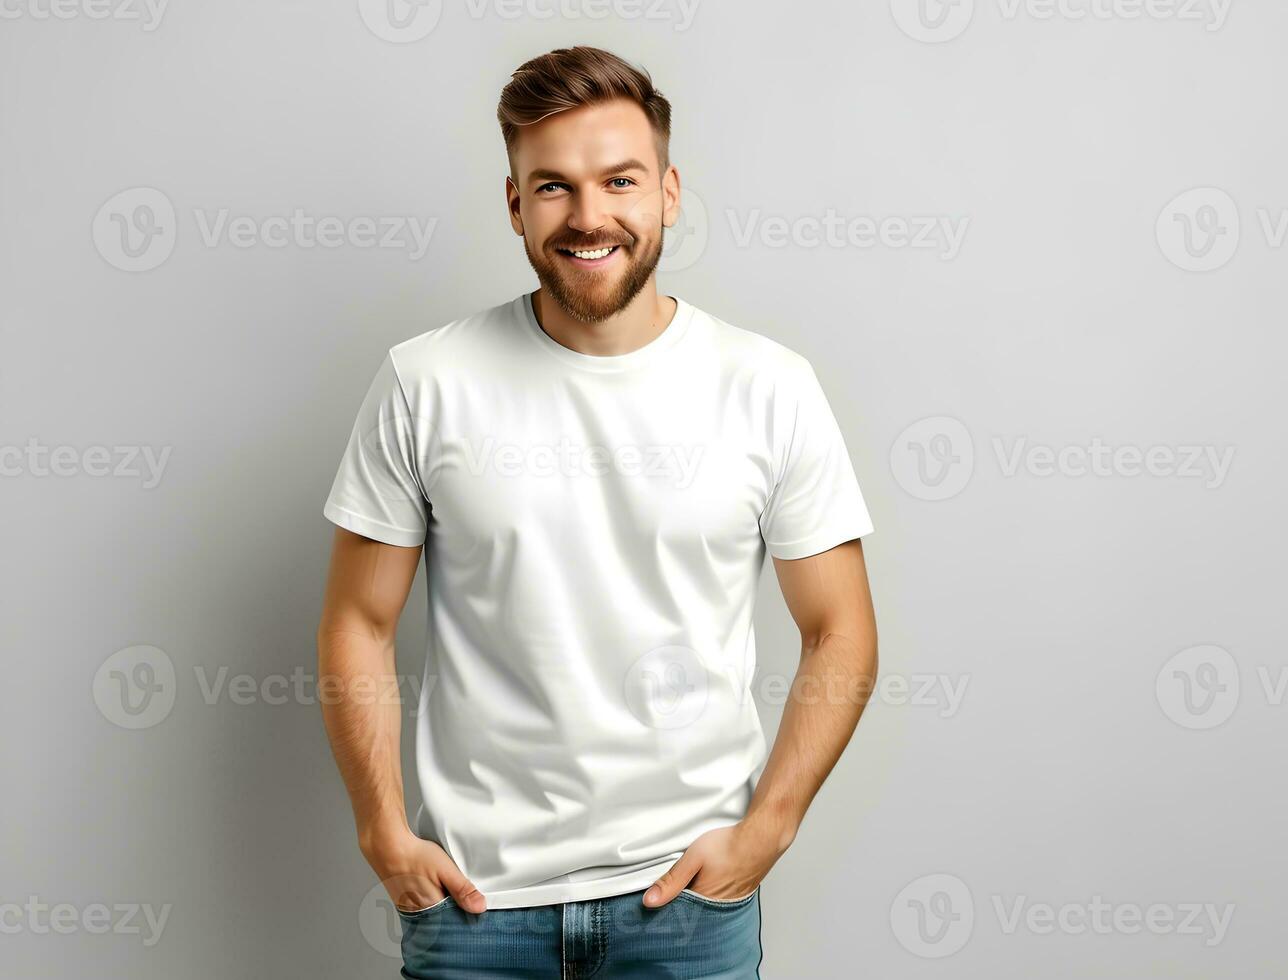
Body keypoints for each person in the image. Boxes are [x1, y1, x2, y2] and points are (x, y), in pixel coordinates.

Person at [316, 44, 878, 978]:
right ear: (513, 205)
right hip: (476, 911)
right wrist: (381, 830)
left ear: (667, 190)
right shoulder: (427, 381)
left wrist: (765, 832)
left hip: (688, 909)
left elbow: (842, 629)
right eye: (552, 188)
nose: (588, 217)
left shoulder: (768, 387)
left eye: (618, 180)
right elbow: (357, 618)